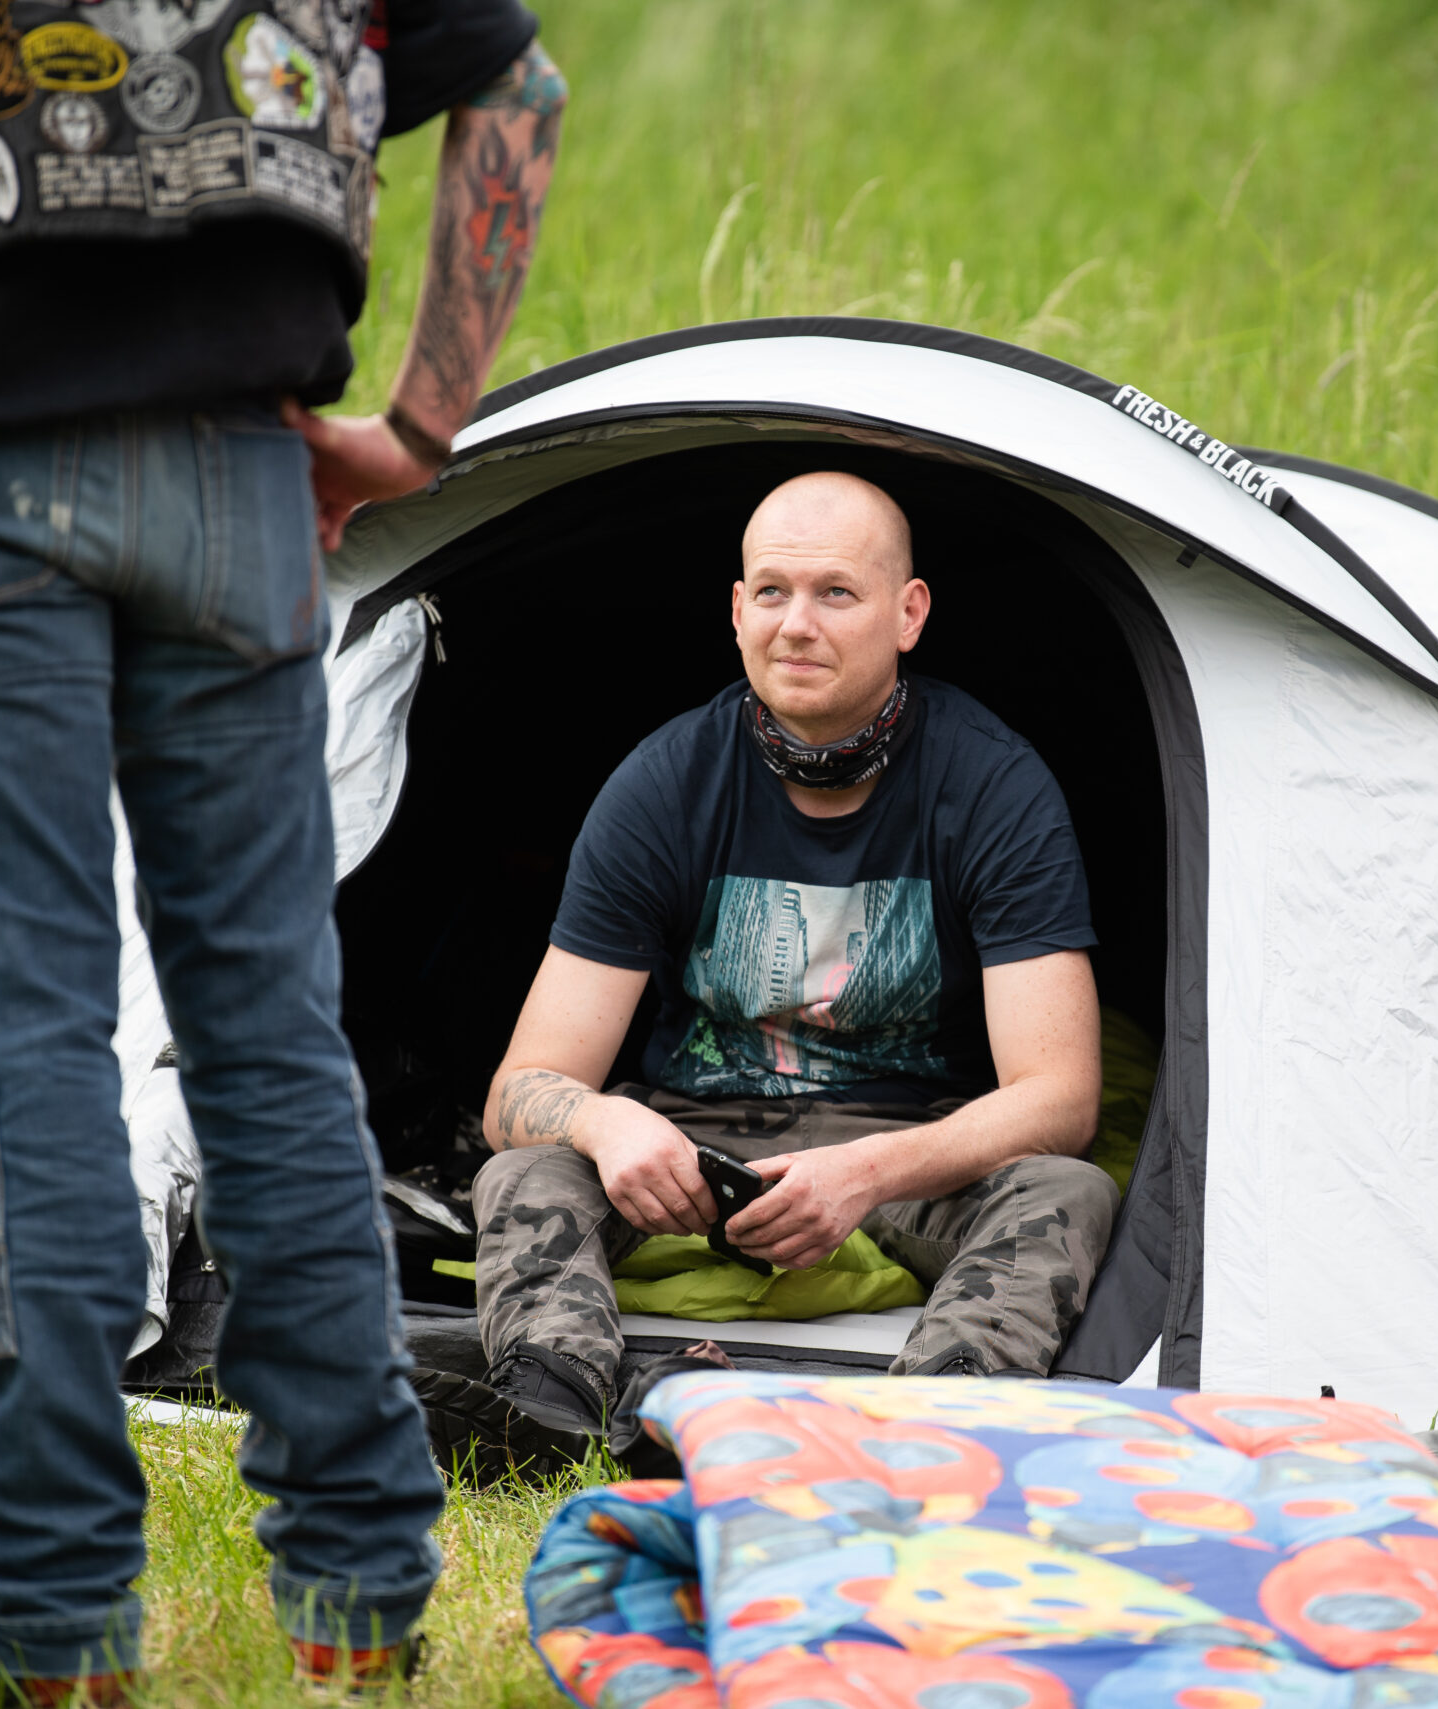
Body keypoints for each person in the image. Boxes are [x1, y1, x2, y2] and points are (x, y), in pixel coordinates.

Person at [0, 0, 566, 1698]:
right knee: (265, 1029)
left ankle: (50, 1615)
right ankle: (359, 1592)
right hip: (236, 460)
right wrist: (417, 429)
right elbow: (514, 95)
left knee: (27, 1030)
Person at [462, 470, 1121, 1471]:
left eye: (836, 592)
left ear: (909, 613)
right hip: (693, 1147)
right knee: (522, 1170)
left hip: (907, 1150)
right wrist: (607, 1124)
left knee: (1065, 1190)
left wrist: (866, 1171)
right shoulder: (662, 783)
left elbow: (1061, 1099)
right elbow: (520, 1089)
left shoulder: (995, 784)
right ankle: (556, 1416)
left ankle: (927, 1435)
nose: (796, 624)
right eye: (771, 591)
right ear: (737, 611)